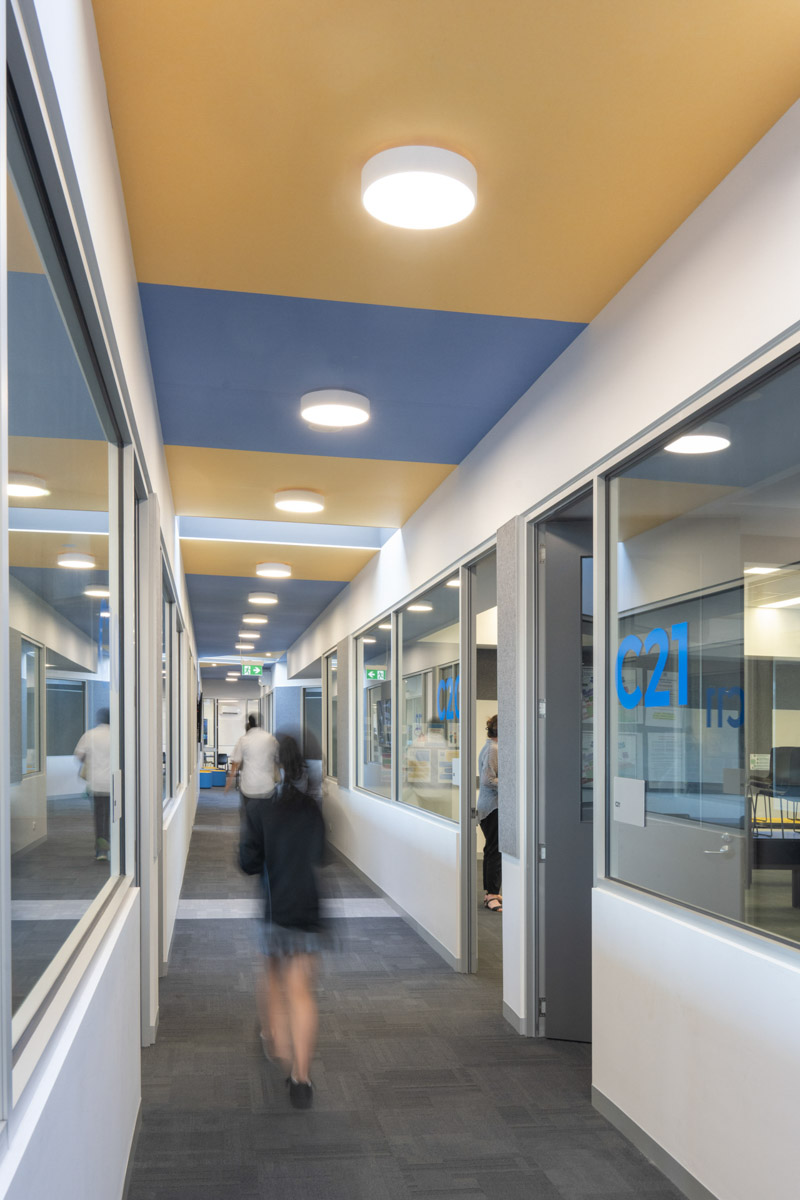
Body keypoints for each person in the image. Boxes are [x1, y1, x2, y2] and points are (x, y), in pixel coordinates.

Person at [239, 733, 325, 1110]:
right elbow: (322, 856)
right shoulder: (312, 808)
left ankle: (274, 1038)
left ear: (275, 765)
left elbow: (247, 863)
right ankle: (301, 1079)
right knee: (301, 990)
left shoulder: (261, 811)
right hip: (308, 908)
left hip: (276, 909)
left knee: (273, 976)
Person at [74, 708, 111, 862]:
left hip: (96, 782)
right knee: (112, 816)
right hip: (114, 783)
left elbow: (79, 755)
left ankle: (101, 850)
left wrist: (91, 762)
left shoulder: (90, 735)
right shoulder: (118, 735)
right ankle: (113, 845)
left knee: (99, 815)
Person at [225, 714, 279, 806]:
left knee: (249, 816)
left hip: (249, 787)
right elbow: (278, 758)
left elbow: (235, 763)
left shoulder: (243, 740)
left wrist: (228, 783)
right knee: (268, 817)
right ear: (261, 724)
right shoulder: (270, 738)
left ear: (248, 725)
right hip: (267, 786)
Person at [477, 713, 501, 912]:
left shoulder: (491, 747)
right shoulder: (493, 749)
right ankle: (491, 895)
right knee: (494, 851)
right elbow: (487, 780)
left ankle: (491, 892)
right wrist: (510, 784)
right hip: (492, 807)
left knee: (492, 850)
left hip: (491, 806)